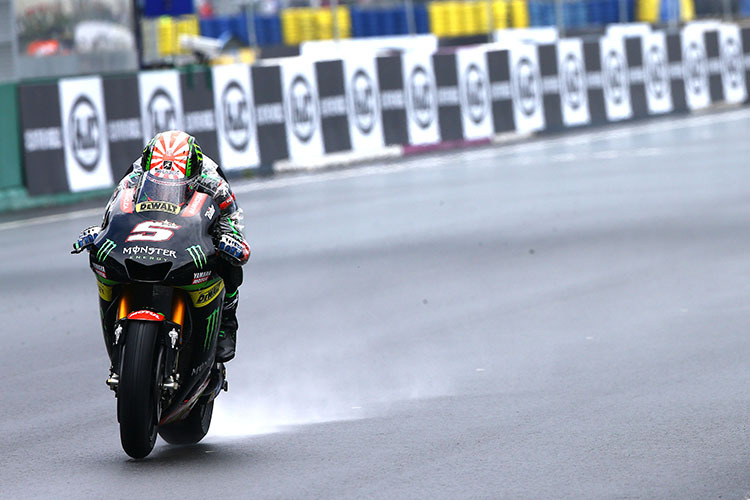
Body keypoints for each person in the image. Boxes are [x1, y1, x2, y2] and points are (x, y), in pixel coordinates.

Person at [73, 130, 249, 362]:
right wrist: (99, 233)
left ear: (192, 175)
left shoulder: (214, 184)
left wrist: (229, 240)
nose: (164, 188)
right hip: (144, 236)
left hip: (191, 235)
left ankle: (227, 322)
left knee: (229, 263)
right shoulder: (132, 178)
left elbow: (233, 222)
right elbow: (113, 216)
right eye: (158, 183)